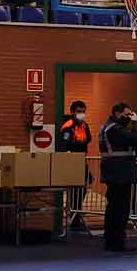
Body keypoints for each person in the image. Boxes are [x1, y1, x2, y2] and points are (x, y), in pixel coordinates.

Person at [98, 102, 137, 253]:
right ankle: (116, 242)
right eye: (127, 115)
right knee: (120, 208)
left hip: (117, 169)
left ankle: (112, 240)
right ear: (117, 113)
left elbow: (131, 145)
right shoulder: (114, 129)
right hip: (118, 172)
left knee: (114, 207)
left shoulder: (110, 127)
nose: (129, 118)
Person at [58, 99, 92, 231]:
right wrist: (79, 143)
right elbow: (66, 143)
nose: (81, 114)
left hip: (81, 160)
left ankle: (76, 214)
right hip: (72, 161)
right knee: (75, 190)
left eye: (83, 112)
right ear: (72, 112)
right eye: (79, 112)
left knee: (83, 188)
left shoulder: (84, 125)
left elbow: (88, 138)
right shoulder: (68, 126)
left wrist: (81, 142)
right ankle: (74, 216)